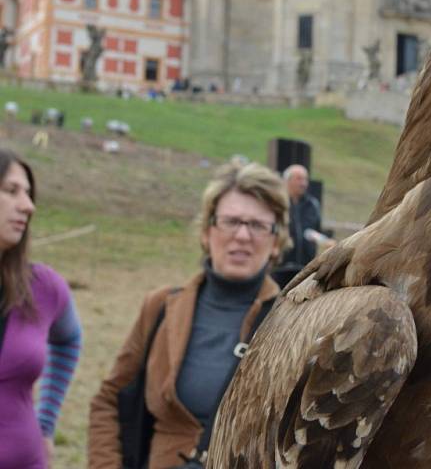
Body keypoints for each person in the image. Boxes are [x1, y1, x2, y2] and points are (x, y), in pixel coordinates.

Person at [88, 161, 289, 468]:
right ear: (208, 232)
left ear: (276, 242)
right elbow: (109, 400)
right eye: (231, 221)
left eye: (258, 225)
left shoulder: (292, 322)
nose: (243, 236)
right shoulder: (159, 308)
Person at [0, 148, 82, 469]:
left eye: (29, 194)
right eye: (11, 191)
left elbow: (69, 340)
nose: (28, 206)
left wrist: (46, 421)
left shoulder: (44, 287)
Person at [281, 164, 322, 268]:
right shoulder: (278, 203)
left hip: (305, 267)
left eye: (305, 179)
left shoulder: (313, 205)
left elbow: (318, 230)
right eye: (299, 179)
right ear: (287, 181)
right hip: (280, 267)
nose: (303, 183)